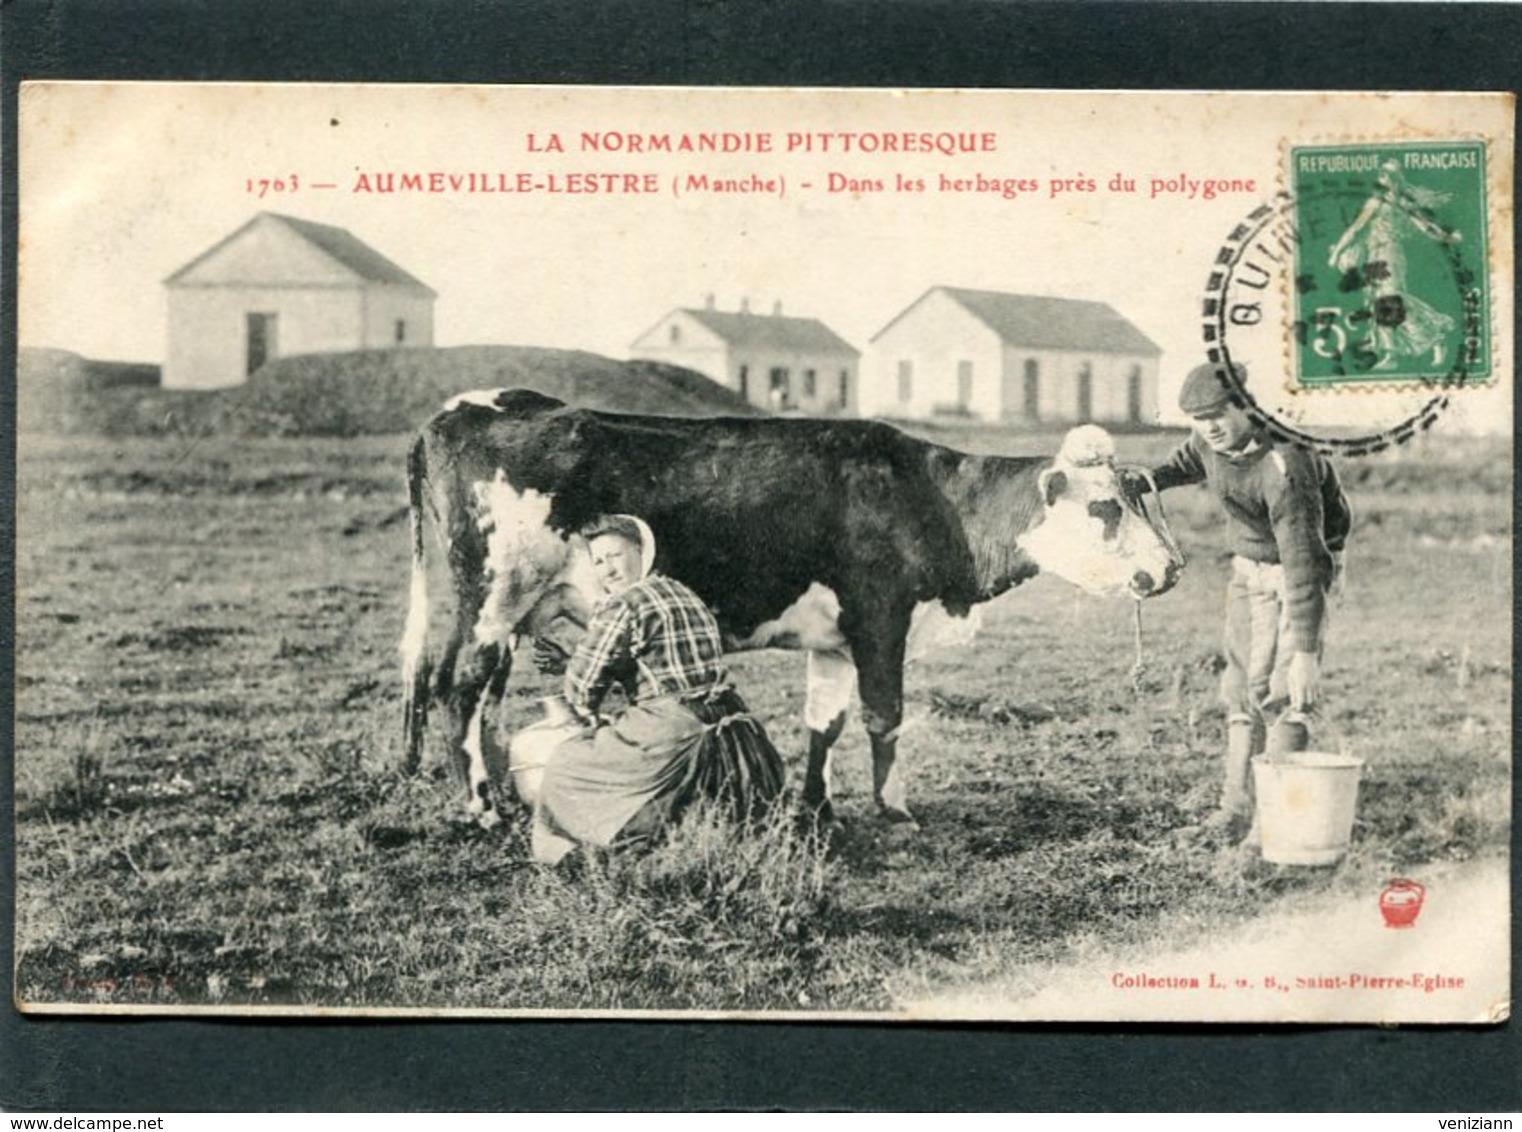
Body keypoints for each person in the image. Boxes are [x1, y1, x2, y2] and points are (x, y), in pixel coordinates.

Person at [1132, 363, 1352, 844]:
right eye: (1198, 417)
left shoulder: (1285, 467)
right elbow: (1185, 463)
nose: (1208, 426)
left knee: (1282, 692)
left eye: (1217, 414)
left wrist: (1307, 656)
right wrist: (1143, 481)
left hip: (1294, 575)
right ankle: (1234, 811)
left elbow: (1304, 565)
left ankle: (1272, 826)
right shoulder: (1211, 442)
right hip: (1246, 572)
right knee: (1238, 688)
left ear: (1245, 407)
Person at [529, 514, 786, 865]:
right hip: (733, 724)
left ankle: (577, 854)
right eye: (599, 561)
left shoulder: (624, 603)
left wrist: (588, 710)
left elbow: (581, 688)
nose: (608, 569)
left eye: (616, 556)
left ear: (640, 552)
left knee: (566, 763)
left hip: (672, 728)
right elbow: (663, 661)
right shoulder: (684, 593)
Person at [1326, 159, 1460, 369]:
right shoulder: (1397, 203)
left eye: (1386, 175)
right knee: (1379, 301)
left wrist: (1336, 254)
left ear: (1394, 180)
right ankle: (1387, 346)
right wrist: (1446, 236)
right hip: (1376, 255)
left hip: (1388, 254)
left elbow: (1355, 230)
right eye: (1381, 174)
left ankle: (1424, 340)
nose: (1382, 178)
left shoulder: (1383, 203)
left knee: (1389, 301)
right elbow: (1426, 227)